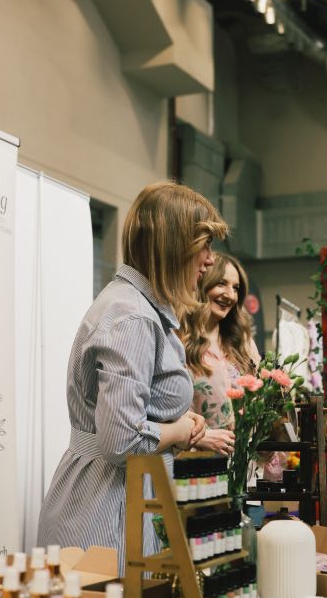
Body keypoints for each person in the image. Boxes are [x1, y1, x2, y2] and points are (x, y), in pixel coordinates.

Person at [37, 182, 228, 572]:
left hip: (117, 497)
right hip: (108, 508)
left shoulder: (135, 306)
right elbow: (121, 439)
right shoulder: (133, 317)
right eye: (204, 245)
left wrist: (179, 422)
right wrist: (178, 430)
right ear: (175, 245)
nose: (210, 260)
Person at [181, 252, 260, 456]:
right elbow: (167, 413)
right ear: (202, 283)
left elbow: (259, 400)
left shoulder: (243, 343)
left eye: (236, 288)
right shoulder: (179, 342)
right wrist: (200, 437)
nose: (230, 295)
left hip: (244, 464)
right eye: (221, 284)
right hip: (199, 463)